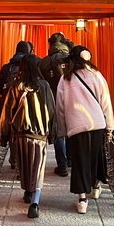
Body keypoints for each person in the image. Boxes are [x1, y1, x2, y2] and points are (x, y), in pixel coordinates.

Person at [55, 46, 114, 214]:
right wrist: (109, 126)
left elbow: (60, 108)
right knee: (96, 156)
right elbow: (106, 102)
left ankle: (82, 200)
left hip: (76, 126)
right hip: (97, 124)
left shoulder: (65, 79)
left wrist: (63, 130)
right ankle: (95, 186)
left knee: (80, 161)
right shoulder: (96, 75)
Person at [0, 55, 57, 218]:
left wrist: (4, 136)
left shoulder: (16, 86)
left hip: (21, 133)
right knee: (38, 167)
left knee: (24, 166)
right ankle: (35, 202)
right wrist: (52, 134)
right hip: (39, 134)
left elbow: (8, 111)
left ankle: (27, 192)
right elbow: (52, 110)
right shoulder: (44, 86)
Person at [0, 41, 33, 168]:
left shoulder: (7, 67)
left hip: (10, 103)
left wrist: (7, 93)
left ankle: (14, 159)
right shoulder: (31, 67)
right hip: (26, 103)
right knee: (26, 130)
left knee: (13, 131)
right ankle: (26, 158)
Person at [39, 33, 72, 176]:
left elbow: (40, 82)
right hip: (72, 99)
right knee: (72, 130)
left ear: (50, 45)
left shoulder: (45, 62)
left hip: (53, 100)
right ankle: (71, 160)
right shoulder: (73, 60)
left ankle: (62, 165)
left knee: (58, 132)